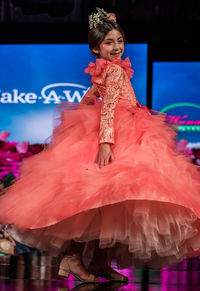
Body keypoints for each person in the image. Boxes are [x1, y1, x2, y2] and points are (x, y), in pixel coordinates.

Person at [0, 6, 200, 284]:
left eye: (119, 41)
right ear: (96, 48)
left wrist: (80, 124)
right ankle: (74, 258)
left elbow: (88, 100)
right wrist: (105, 141)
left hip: (127, 126)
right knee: (100, 198)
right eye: (109, 42)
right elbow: (107, 110)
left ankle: (98, 260)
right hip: (119, 134)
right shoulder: (114, 72)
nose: (117, 47)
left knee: (108, 201)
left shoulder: (108, 71)